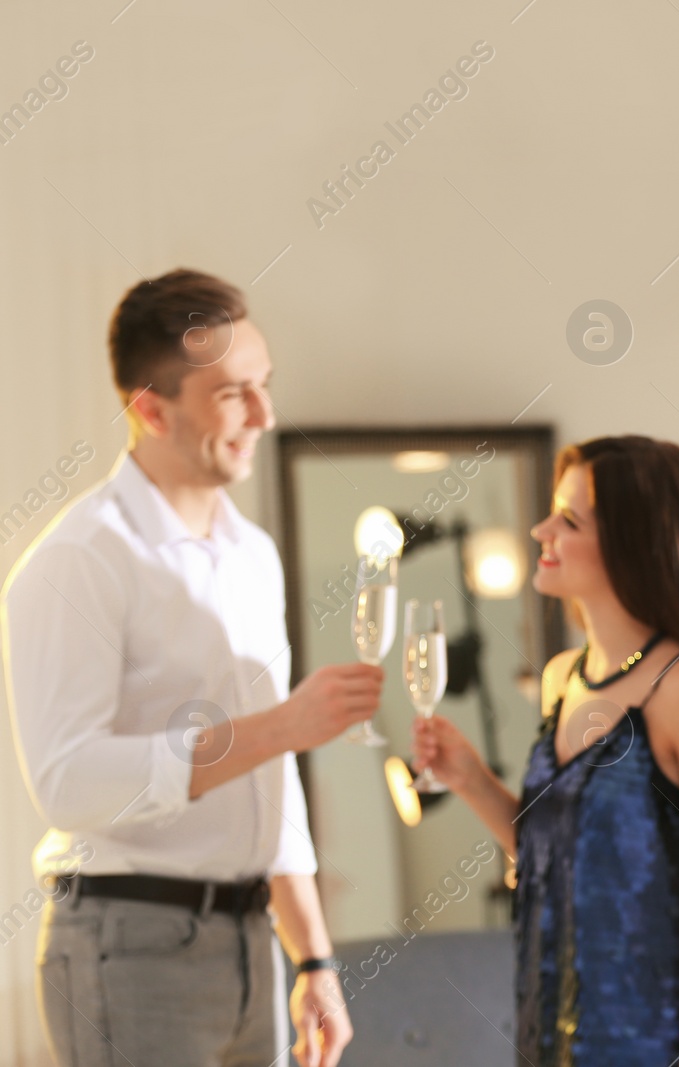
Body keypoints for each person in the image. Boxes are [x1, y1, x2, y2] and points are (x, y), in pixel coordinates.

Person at [2, 269, 384, 1067]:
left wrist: (312, 957)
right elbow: (68, 783)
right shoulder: (80, 561)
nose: (266, 416)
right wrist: (279, 725)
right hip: (127, 947)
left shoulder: (253, 556)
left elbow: (268, 786)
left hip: (251, 941)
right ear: (149, 407)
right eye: (234, 395)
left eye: (265, 386)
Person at [411, 434, 679, 1066]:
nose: (541, 530)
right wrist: (472, 781)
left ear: (632, 542)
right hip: (546, 1039)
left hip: (653, 1047)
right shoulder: (561, 679)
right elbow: (559, 860)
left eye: (567, 520)